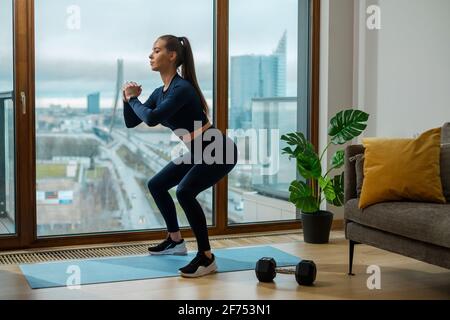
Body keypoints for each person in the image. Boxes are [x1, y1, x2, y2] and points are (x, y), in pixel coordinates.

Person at [122, 35, 238, 278]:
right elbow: (132, 121)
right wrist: (127, 99)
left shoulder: (181, 89)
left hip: (219, 150)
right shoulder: (160, 92)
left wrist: (134, 99)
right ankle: (175, 241)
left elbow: (151, 119)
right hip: (199, 152)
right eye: (151, 51)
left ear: (172, 56)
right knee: (156, 185)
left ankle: (206, 258)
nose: (150, 55)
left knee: (185, 192)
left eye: (156, 50)